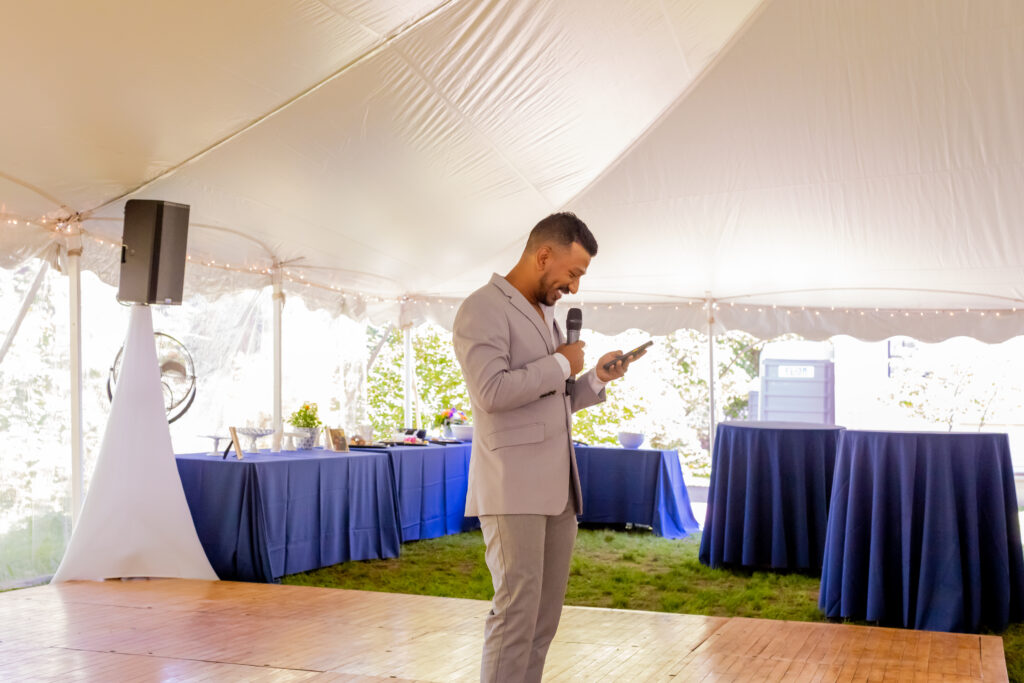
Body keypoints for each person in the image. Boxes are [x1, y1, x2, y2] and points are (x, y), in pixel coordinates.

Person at [452, 212, 642, 682]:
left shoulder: (545, 315)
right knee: (515, 616)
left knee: (542, 622)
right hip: (512, 487)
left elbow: (551, 402)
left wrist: (594, 378)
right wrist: (560, 363)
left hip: (558, 489)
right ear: (543, 256)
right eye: (573, 273)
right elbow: (491, 393)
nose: (574, 288)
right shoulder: (482, 308)